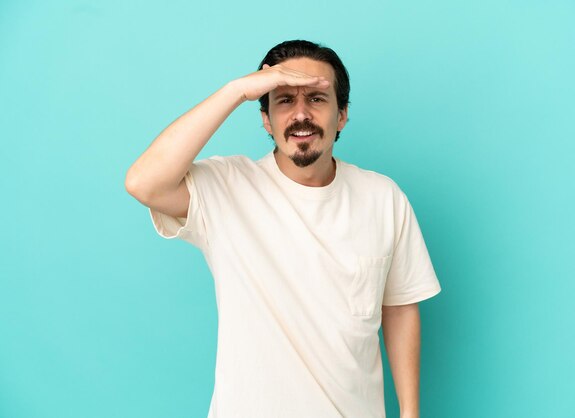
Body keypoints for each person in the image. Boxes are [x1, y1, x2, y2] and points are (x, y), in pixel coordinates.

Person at [125, 39, 441, 418]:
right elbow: (144, 183)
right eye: (285, 100)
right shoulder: (227, 188)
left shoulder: (383, 198)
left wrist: (410, 413)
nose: (301, 114)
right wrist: (236, 90)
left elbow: (400, 306)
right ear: (266, 118)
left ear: (341, 116)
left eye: (317, 99)